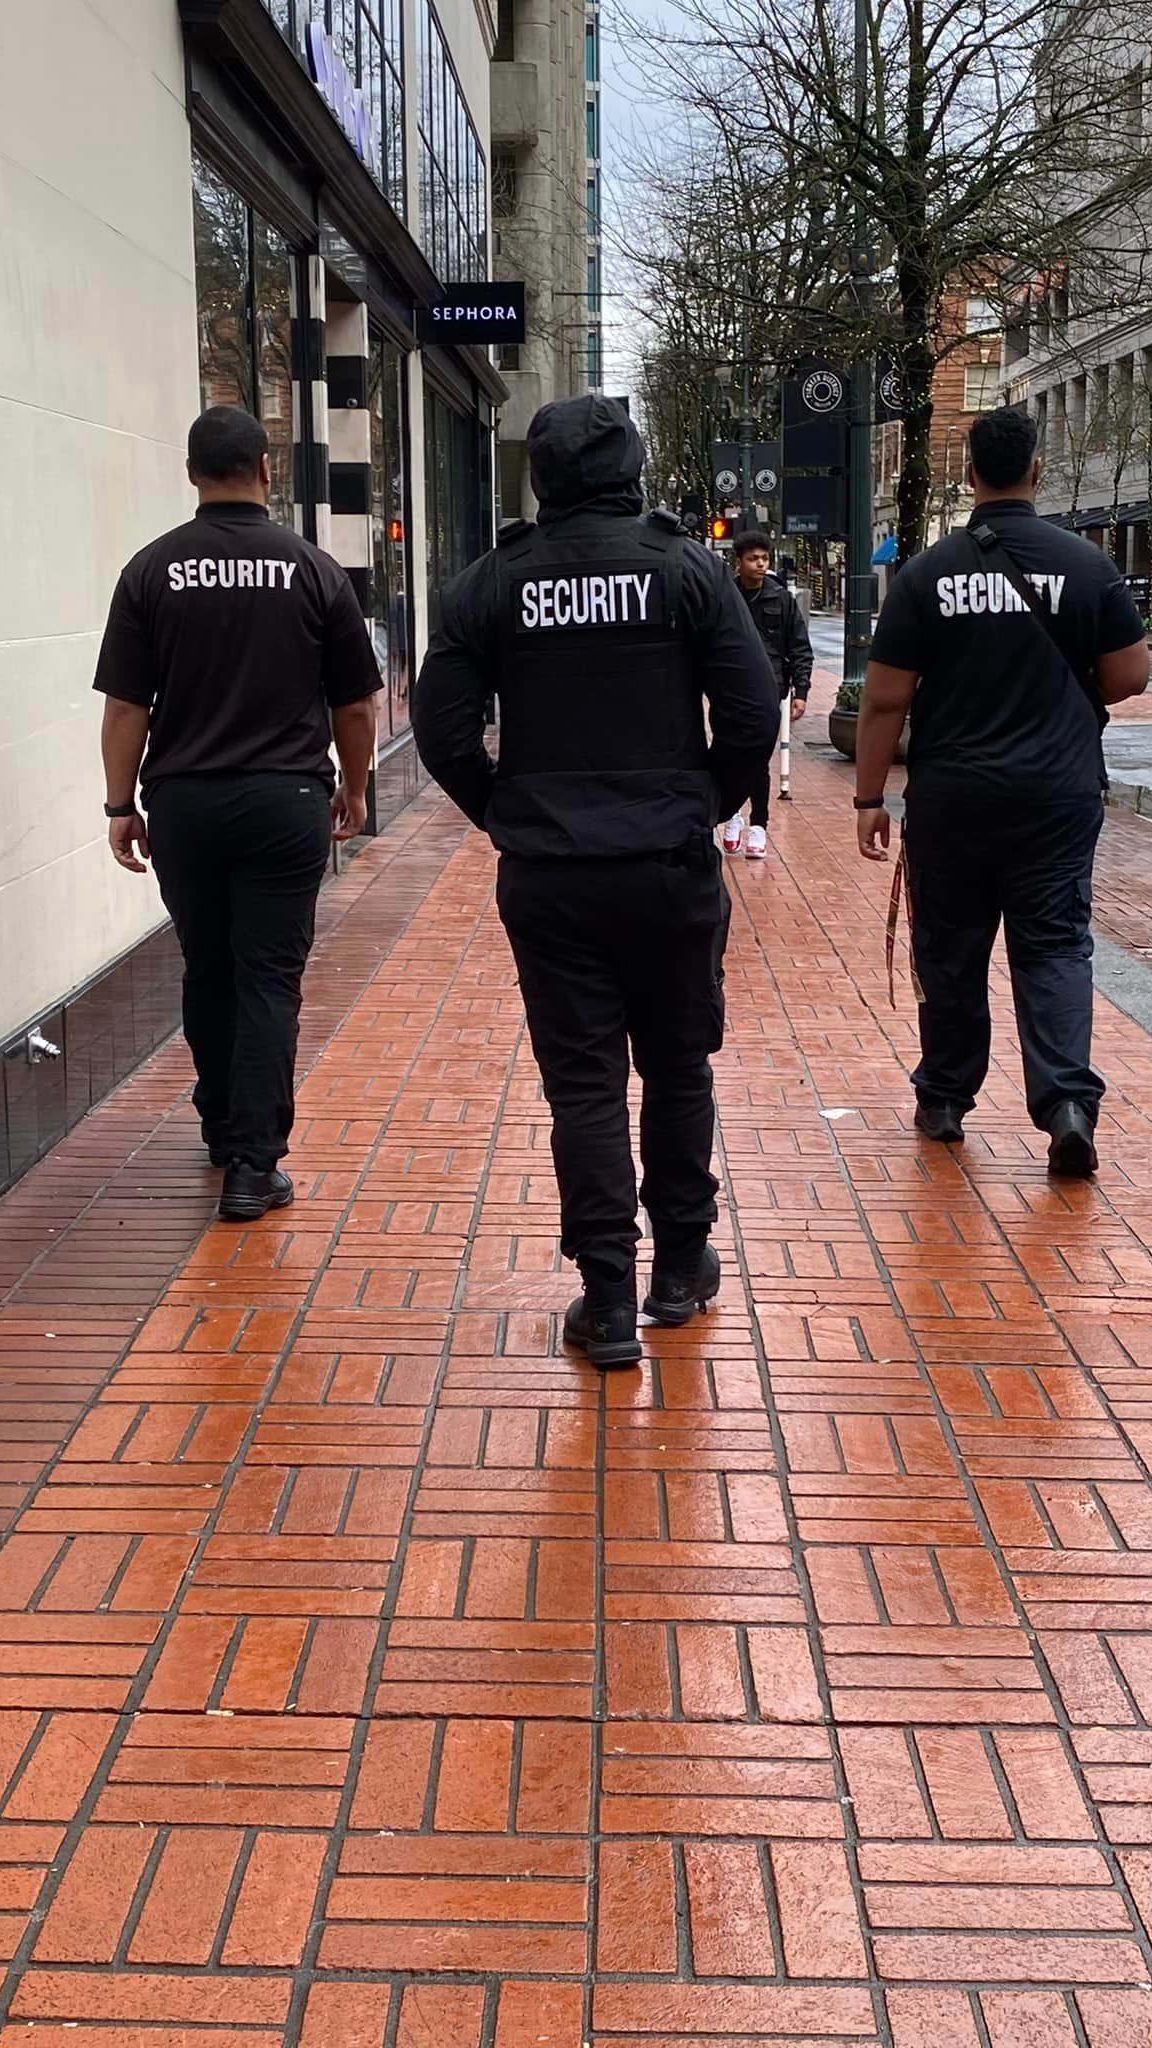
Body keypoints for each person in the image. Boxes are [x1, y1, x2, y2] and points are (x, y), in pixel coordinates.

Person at [412, 394, 778, 1368]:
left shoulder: (492, 583)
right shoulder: (688, 570)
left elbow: (441, 729)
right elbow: (753, 708)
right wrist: (703, 800)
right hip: (666, 867)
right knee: (677, 1066)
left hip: (553, 877)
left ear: (541, 476)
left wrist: (503, 811)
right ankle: (682, 1265)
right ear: (633, 470)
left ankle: (608, 1297)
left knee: (583, 1085)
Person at [95, 405, 381, 1222]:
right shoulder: (314, 570)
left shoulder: (150, 572)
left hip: (183, 803)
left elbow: (125, 708)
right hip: (285, 802)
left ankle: (221, 1125)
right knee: (269, 978)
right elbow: (355, 705)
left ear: (191, 474)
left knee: (207, 968)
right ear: (266, 469)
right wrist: (355, 788)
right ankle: (254, 1167)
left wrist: (121, 804)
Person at [852, 405, 1150, 1176]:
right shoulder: (1087, 568)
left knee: (949, 949)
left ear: (970, 474)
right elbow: (1129, 677)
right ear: (1036, 472)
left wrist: (869, 798)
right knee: (1053, 946)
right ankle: (1067, 1106)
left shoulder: (925, 576)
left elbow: (884, 699)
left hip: (954, 799)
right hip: (1057, 795)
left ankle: (946, 1096)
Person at [720, 528, 814, 858]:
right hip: (729, 688)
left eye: (764, 558)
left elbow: (799, 646)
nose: (760, 564)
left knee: (758, 757)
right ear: (739, 562)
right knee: (729, 754)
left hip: (768, 689)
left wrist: (801, 690)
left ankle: (758, 824)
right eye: (753, 559)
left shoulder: (781, 599)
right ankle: (733, 815)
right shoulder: (723, 596)